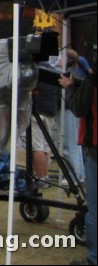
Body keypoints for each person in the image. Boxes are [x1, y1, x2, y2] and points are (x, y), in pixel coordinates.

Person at [60, 59, 96, 266]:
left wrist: (70, 88)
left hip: (94, 147)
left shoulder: (92, 80)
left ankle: (93, 259)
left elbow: (80, 108)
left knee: (95, 209)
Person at [18, 77, 59, 188]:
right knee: (45, 147)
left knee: (37, 147)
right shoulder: (50, 73)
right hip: (50, 112)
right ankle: (44, 176)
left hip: (38, 112)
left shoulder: (35, 72)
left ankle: (40, 178)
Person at [61, 49, 89, 185]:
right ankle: (80, 174)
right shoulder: (79, 67)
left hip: (71, 106)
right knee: (76, 144)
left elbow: (88, 74)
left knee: (70, 144)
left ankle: (74, 176)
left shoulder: (81, 64)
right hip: (75, 105)